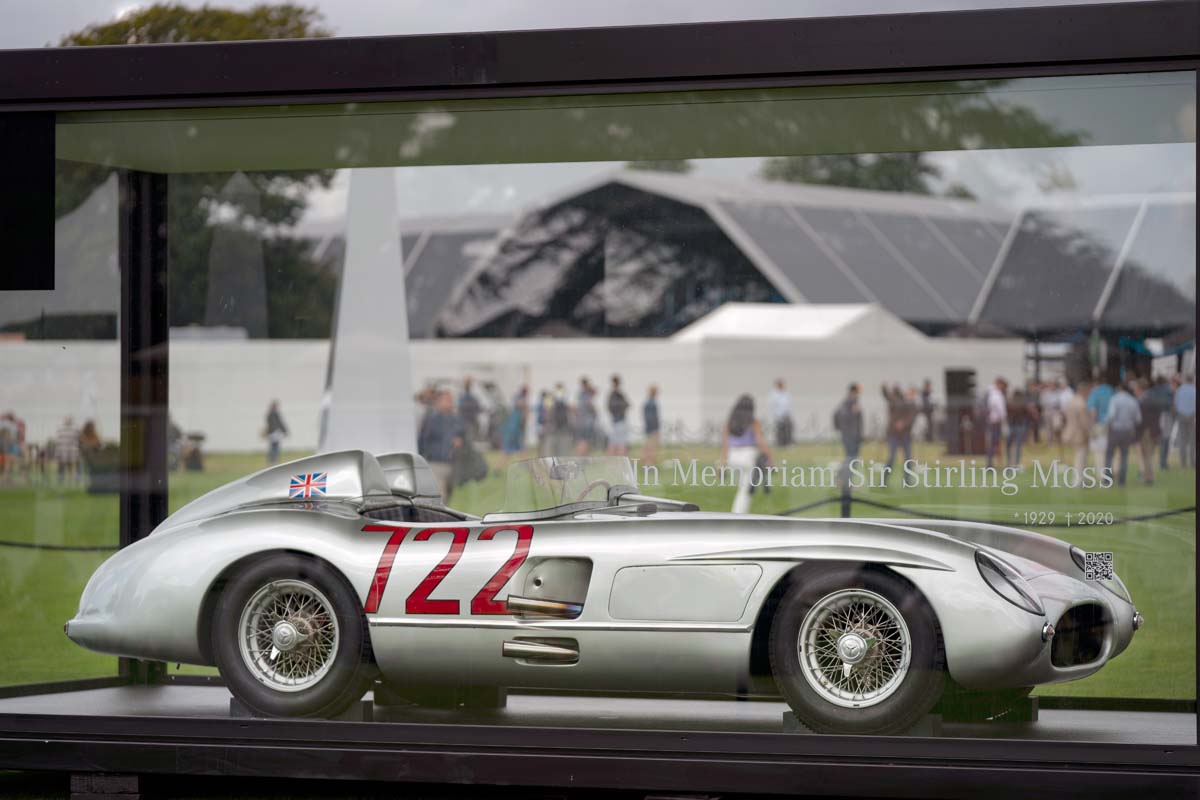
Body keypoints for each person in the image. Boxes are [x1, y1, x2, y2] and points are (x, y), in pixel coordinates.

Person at [720, 394, 772, 514]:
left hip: (732, 457)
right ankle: (738, 515)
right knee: (745, 490)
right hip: (748, 456)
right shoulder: (753, 422)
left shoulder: (730, 423)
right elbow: (760, 441)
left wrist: (721, 465)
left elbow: (725, 446)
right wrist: (769, 457)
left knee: (742, 488)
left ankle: (739, 513)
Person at [418, 390, 464, 502]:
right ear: (438, 402)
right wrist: (424, 458)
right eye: (446, 400)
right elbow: (423, 440)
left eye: (451, 400)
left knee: (448, 495)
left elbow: (463, 436)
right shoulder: (431, 419)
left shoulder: (456, 419)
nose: (450, 402)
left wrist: (460, 442)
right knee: (441, 496)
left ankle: (445, 517)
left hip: (452, 463)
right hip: (436, 463)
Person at [1105, 381, 1141, 487]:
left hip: (1115, 430)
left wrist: (1107, 425)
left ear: (1119, 389)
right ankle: (1122, 480)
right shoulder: (1133, 401)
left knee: (1109, 455)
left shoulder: (1114, 399)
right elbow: (1138, 419)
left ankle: (1107, 478)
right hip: (1128, 431)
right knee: (1124, 456)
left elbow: (1111, 415)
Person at [882, 384, 916, 480]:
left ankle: (907, 481)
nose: (909, 395)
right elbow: (888, 397)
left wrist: (903, 423)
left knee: (908, 459)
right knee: (892, 457)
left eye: (911, 393)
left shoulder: (913, 405)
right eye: (908, 393)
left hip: (906, 436)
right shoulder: (898, 402)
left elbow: (911, 418)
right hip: (894, 435)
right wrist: (884, 389)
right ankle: (883, 479)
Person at [1063, 380, 1092, 474]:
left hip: (1070, 431)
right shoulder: (1082, 404)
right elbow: (1085, 422)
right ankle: (1079, 480)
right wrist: (1090, 432)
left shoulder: (1072, 401)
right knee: (1081, 456)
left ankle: (1080, 478)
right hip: (1080, 433)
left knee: (1077, 455)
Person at [497, 385, 529, 472]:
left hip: (514, 432)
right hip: (513, 432)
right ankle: (498, 468)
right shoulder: (518, 406)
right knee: (509, 451)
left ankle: (498, 468)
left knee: (520, 451)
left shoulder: (517, 409)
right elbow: (521, 406)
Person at [1133, 379, 1159, 485]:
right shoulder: (1153, 398)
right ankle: (1148, 475)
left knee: (1146, 455)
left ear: (1139, 389)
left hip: (1145, 431)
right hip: (1153, 430)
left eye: (1135, 389)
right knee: (1149, 455)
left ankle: (1148, 477)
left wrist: (1137, 434)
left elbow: (1140, 419)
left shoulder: (1142, 400)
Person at [1005, 388, 1036, 466]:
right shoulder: (1024, 404)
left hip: (1012, 426)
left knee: (1009, 445)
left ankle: (1009, 462)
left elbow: (1007, 414)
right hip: (1021, 426)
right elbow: (1030, 415)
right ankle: (1017, 463)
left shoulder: (1010, 404)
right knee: (1018, 446)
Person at [833, 383, 863, 462]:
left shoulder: (855, 402)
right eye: (856, 392)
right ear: (852, 392)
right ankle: (844, 474)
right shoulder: (847, 403)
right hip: (849, 435)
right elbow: (838, 415)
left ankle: (846, 474)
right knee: (851, 458)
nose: (857, 394)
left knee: (853, 458)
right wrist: (852, 412)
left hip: (855, 436)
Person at [983, 377, 1007, 469]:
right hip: (995, 422)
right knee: (994, 444)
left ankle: (993, 463)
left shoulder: (991, 393)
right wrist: (1004, 418)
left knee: (994, 444)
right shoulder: (995, 395)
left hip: (993, 421)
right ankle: (990, 464)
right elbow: (1000, 409)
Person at [606, 375, 631, 456]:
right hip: (619, 421)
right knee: (620, 443)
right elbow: (626, 404)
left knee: (615, 442)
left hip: (616, 421)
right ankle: (620, 459)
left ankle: (614, 460)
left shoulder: (614, 394)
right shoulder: (616, 394)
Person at [1175, 374, 1196, 469]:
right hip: (1192, 416)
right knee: (1192, 440)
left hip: (1181, 415)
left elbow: (1176, 403)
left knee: (1182, 439)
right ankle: (1192, 462)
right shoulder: (1194, 390)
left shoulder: (1179, 390)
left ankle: (1183, 463)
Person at [574, 377, 598, 456]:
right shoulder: (586, 395)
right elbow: (591, 407)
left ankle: (581, 456)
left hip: (580, 422)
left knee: (581, 440)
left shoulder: (580, 395)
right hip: (586, 423)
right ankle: (582, 457)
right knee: (584, 441)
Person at [767, 378, 794, 448]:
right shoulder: (773, 394)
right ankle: (780, 444)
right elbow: (772, 405)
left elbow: (789, 404)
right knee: (780, 430)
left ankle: (788, 444)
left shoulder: (786, 393)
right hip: (778, 415)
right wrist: (775, 415)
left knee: (788, 429)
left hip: (786, 415)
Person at [55, 416, 80, 484]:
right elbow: (58, 440)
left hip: (72, 450)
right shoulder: (61, 428)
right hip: (64, 450)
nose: (67, 421)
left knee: (73, 464)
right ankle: (61, 477)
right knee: (62, 465)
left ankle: (76, 477)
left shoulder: (75, 428)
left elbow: (78, 439)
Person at [458, 377, 482, 443]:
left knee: (467, 439)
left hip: (465, 421)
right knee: (469, 439)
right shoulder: (471, 398)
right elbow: (478, 408)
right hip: (469, 421)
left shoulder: (462, 398)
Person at [264, 400, 288, 465]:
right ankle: (273, 460)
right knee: (274, 447)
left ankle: (273, 460)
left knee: (273, 447)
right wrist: (284, 431)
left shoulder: (270, 414)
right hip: (274, 433)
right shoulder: (273, 414)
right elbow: (279, 423)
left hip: (273, 433)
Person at [642, 385, 661, 466]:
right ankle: (649, 464)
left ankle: (649, 463)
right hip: (652, 429)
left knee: (649, 447)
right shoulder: (651, 403)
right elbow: (652, 418)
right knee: (651, 447)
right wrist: (655, 429)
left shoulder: (647, 402)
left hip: (649, 428)